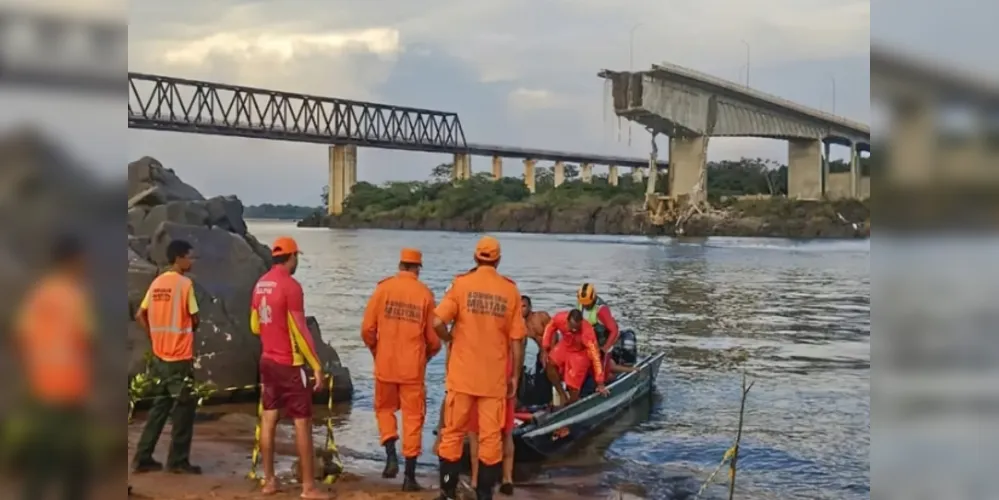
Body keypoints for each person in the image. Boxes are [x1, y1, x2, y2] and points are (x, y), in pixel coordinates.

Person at [433, 236, 525, 500]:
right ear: (498, 260)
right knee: (490, 440)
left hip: (462, 377)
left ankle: (447, 492)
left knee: (451, 435)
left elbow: (437, 321)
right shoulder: (510, 291)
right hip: (493, 380)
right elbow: (516, 340)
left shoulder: (461, 285)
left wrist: (450, 339)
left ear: (475, 258)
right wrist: (515, 377)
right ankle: (485, 495)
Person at [15, 234, 95, 500]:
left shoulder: (39, 293)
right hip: (69, 386)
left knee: (42, 454)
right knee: (76, 457)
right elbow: (88, 337)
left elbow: (22, 335)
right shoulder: (73, 295)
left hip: (40, 384)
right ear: (72, 260)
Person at [250, 236, 329, 499]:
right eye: (297, 257)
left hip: (267, 361)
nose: (298, 262)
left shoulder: (260, 284)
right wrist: (316, 365)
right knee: (302, 424)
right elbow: (300, 329)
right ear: (291, 257)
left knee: (269, 419)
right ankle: (308, 488)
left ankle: (269, 481)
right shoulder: (291, 286)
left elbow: (253, 325)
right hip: (290, 364)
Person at [361, 248, 441, 491]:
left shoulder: (382, 289)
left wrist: (377, 351)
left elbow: (367, 330)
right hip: (412, 370)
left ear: (400, 265)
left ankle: (390, 453)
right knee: (413, 418)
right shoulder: (425, 294)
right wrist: (426, 356)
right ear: (418, 268)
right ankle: (409, 477)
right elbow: (434, 339)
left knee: (384, 409)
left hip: (385, 365)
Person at [466, 294, 550, 496]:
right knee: (505, 432)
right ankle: (507, 478)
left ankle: (478, 479)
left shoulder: (484, 331)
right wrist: (514, 378)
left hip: (485, 383)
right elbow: (518, 356)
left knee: (477, 433)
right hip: (505, 381)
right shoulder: (515, 331)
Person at [132, 239, 202, 475]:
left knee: (160, 407)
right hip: (179, 357)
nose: (192, 261)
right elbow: (195, 318)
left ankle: (143, 457)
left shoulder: (157, 283)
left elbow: (140, 314)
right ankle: (178, 461)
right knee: (184, 407)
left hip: (160, 356)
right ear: (179, 258)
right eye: (190, 257)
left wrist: (154, 336)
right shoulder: (185, 285)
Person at [540, 309, 609, 406]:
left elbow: (595, 357)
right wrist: (544, 348)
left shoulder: (587, 333)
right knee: (550, 363)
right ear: (567, 321)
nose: (574, 330)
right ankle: (562, 395)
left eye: (577, 328)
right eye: (572, 327)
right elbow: (550, 327)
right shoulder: (560, 318)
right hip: (566, 344)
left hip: (581, 352)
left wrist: (600, 382)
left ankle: (572, 403)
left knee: (573, 383)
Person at [576, 283, 635, 376]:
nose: (585, 306)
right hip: (590, 342)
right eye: (584, 304)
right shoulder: (581, 303)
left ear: (593, 298)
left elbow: (614, 330)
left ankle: (625, 371)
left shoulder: (601, 310)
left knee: (604, 373)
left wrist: (605, 349)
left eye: (588, 304)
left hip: (603, 342)